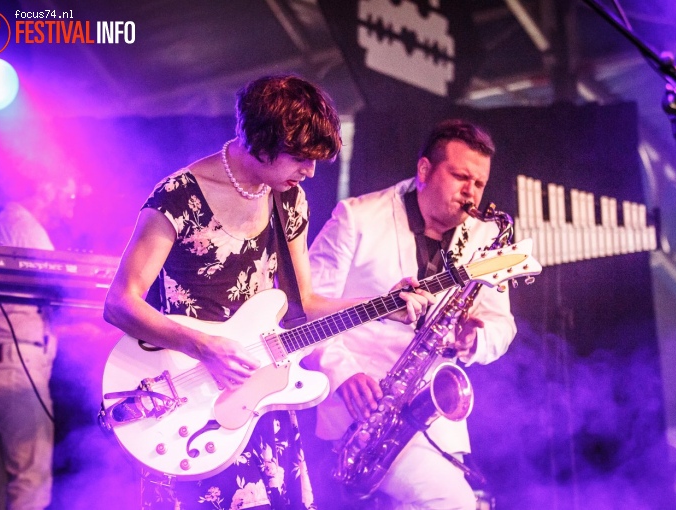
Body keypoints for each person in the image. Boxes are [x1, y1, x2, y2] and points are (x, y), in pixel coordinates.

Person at [102, 74, 431, 510]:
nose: (310, 171)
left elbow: (307, 305)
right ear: (261, 141)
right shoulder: (177, 198)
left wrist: (384, 306)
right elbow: (119, 303)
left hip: (261, 400)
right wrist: (205, 347)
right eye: (300, 158)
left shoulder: (289, 199)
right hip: (186, 399)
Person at [305, 119, 517, 510]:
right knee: (449, 502)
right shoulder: (356, 218)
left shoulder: (486, 238)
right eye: (460, 177)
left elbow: (503, 326)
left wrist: (477, 338)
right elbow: (309, 311)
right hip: (360, 415)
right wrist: (344, 374)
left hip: (432, 419)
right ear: (424, 171)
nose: (471, 192)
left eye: (480, 183)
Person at [0, 175, 78, 510]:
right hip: (18, 368)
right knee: (31, 481)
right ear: (48, 187)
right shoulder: (25, 229)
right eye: (69, 194)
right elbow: (60, 295)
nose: (71, 207)